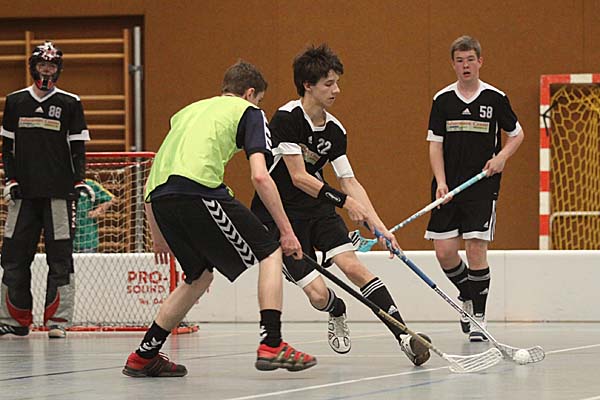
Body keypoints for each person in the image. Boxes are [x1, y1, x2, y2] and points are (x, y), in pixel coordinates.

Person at [122, 60, 316, 378]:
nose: (259, 106)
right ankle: (272, 343)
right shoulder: (249, 112)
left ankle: (144, 355)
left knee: (198, 276)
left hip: (160, 199)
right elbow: (260, 176)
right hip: (198, 190)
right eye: (259, 100)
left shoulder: (186, 113)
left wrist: (157, 235)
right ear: (250, 93)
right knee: (270, 251)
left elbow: (152, 178)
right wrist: (286, 231)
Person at [251, 44, 431, 366]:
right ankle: (336, 308)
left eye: (337, 83)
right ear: (308, 85)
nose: (337, 90)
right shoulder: (287, 118)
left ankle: (404, 336)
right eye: (329, 84)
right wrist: (346, 203)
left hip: (318, 211)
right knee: (318, 295)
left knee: (354, 267)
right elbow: (298, 177)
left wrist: (380, 227)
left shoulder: (335, 130)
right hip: (281, 218)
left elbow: (350, 181)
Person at [424, 35, 524, 342]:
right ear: (453, 64)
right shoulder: (442, 100)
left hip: (482, 185)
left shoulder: (495, 98)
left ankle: (478, 316)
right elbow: (435, 145)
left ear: (480, 61)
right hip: (448, 187)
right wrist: (441, 182)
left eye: (470, 60)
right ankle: (467, 294)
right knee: (444, 252)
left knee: (476, 248)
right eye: (459, 60)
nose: (465, 65)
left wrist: (501, 157)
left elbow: (517, 134)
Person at [0, 41, 93, 339]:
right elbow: (7, 148)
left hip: (59, 196)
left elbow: (78, 149)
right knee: (13, 257)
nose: (47, 71)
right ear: (33, 67)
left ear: (58, 70)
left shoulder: (70, 103)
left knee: (60, 259)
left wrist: (79, 180)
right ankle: (14, 320)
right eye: (42, 65)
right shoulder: (15, 101)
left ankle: (58, 322)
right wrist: (10, 180)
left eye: (52, 66)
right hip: (23, 196)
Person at [73, 178, 115, 253]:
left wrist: (97, 212)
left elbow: (110, 198)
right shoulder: (62, 185)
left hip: (87, 240)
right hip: (67, 240)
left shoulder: (89, 184)